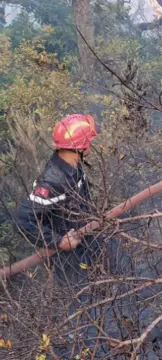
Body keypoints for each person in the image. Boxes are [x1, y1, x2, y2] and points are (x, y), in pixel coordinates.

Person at [13, 114, 105, 357]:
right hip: (69, 261)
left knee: (97, 295)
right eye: (90, 141)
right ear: (82, 146)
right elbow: (24, 221)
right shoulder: (53, 180)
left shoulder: (74, 167)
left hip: (86, 246)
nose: (92, 145)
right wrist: (59, 242)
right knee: (79, 306)